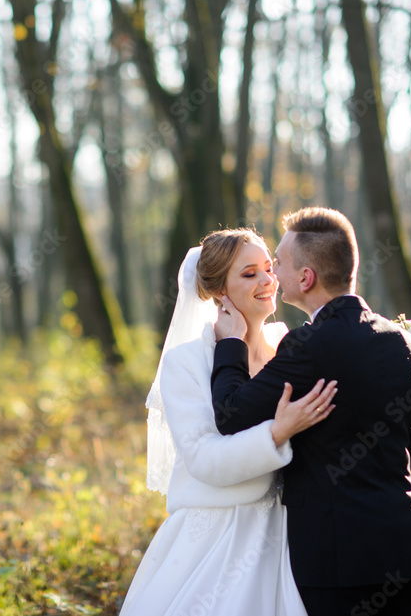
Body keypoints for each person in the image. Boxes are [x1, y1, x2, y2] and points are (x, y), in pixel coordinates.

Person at [211, 208, 411, 615]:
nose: (272, 274)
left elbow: (231, 413)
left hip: (339, 563)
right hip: (408, 550)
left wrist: (231, 343)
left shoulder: (307, 346)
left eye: (278, 263)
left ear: (306, 278)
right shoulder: (403, 342)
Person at [120, 228, 337, 615]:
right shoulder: (186, 362)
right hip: (220, 537)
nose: (268, 281)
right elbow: (204, 458)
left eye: (269, 269)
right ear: (219, 290)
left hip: (288, 530)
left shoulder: (287, 344)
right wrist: (278, 432)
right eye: (249, 273)